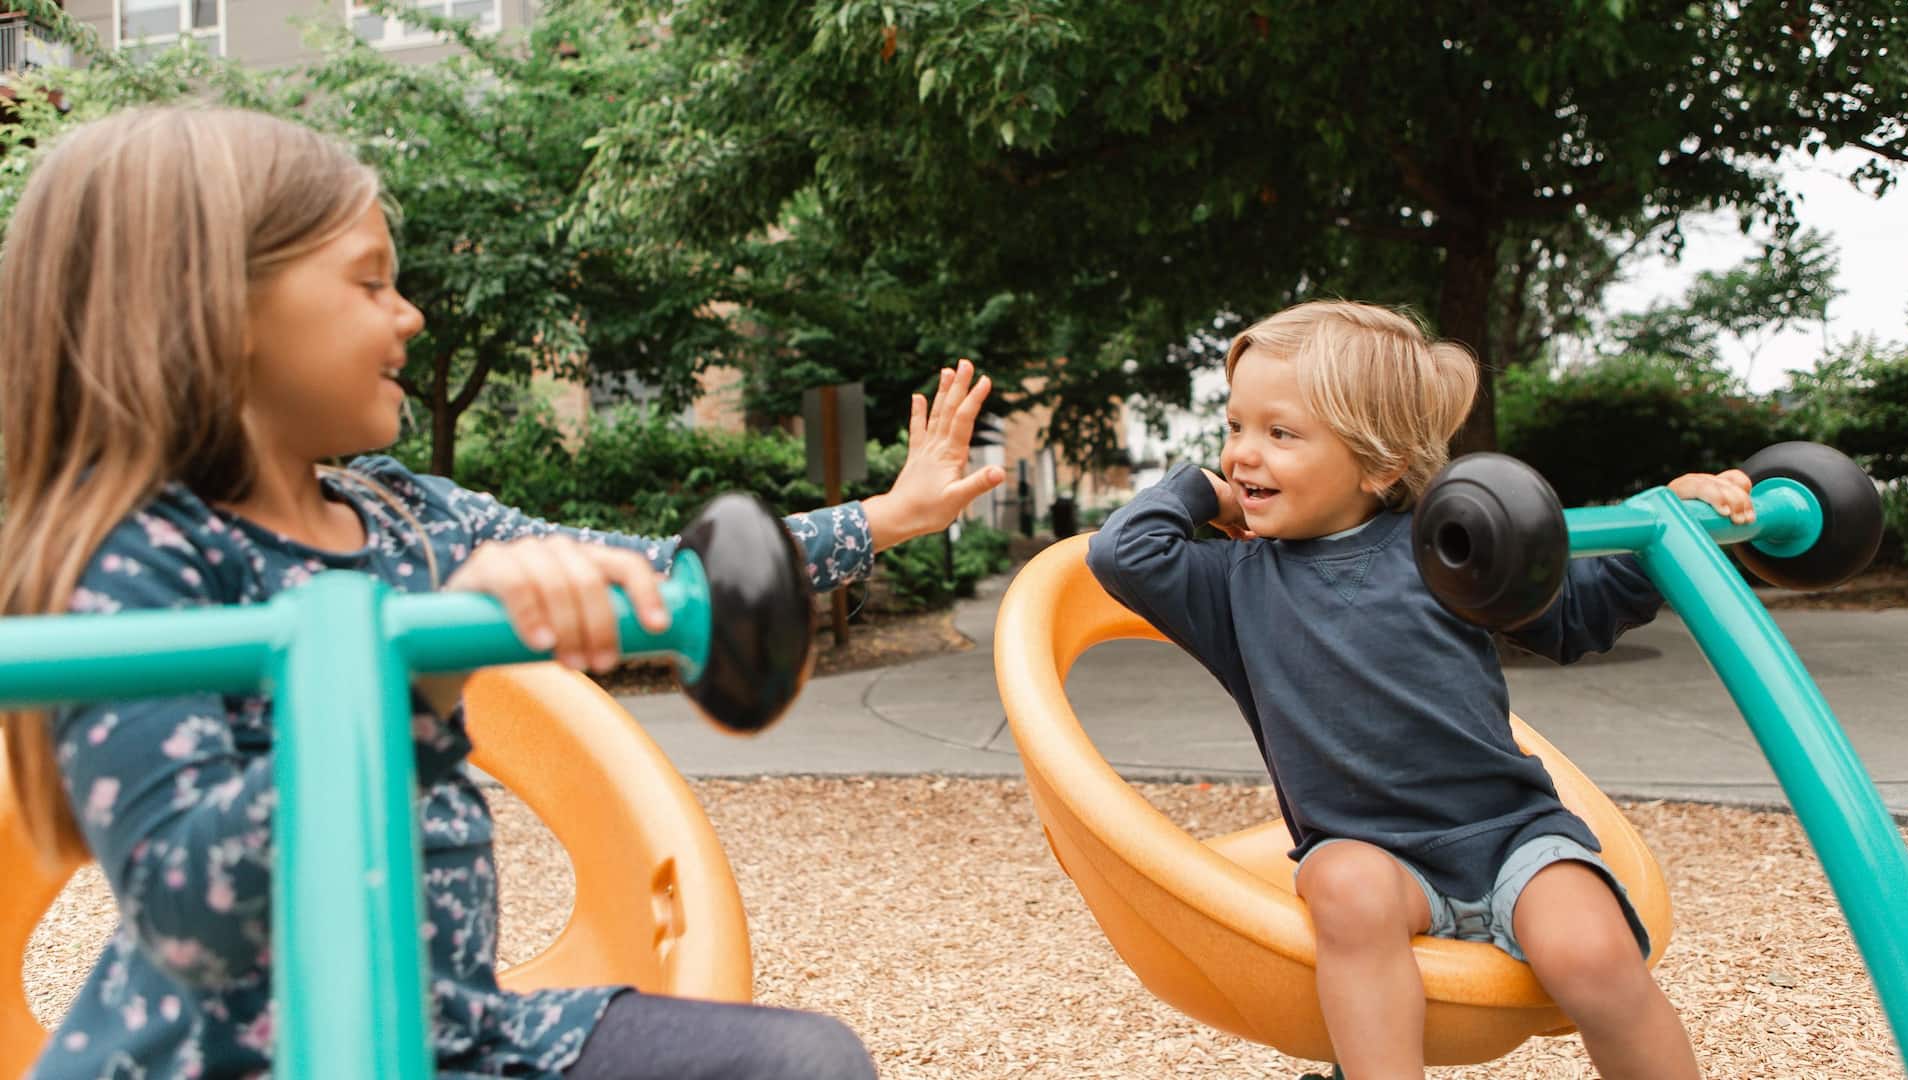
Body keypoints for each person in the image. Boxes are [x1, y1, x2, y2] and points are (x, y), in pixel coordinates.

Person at [0, 105, 1003, 1079]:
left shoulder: (408, 519)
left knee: (802, 1064)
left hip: (451, 1036)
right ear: (215, 307)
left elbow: (659, 573)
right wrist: (415, 684)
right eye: (369, 283)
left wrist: (884, 518)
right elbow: (187, 903)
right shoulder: (136, 563)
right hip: (227, 1058)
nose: (412, 314)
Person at [1087, 301, 1747, 1079]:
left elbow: (1575, 613)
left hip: (1511, 837)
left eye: (1281, 433)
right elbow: (1122, 551)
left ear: (1380, 465)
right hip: (1375, 858)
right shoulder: (1230, 586)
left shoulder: (1447, 548)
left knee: (1593, 955)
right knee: (1339, 883)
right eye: (1234, 429)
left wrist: (1674, 520)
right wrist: (1201, 490)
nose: (1243, 456)